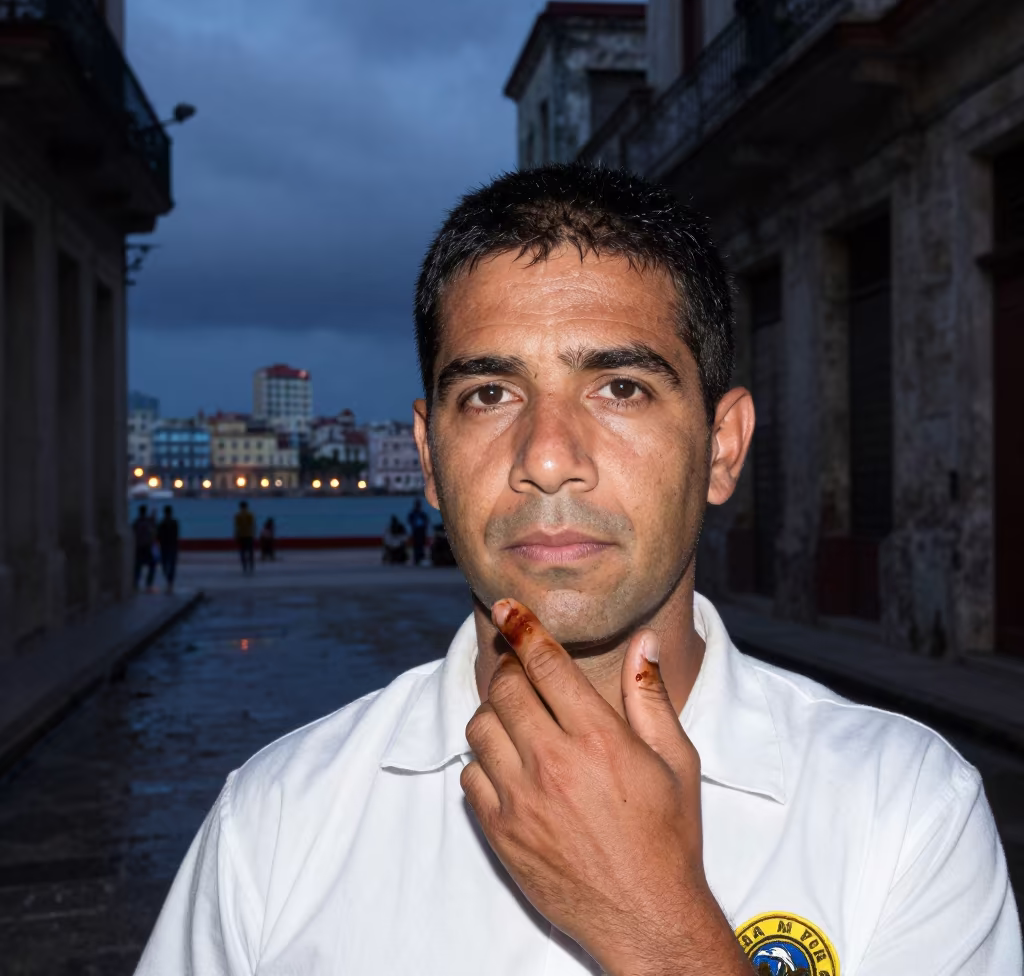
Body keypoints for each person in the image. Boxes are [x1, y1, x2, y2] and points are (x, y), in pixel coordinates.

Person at [136, 164, 1021, 975]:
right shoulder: (273, 824)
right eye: (490, 394)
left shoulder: (905, 812)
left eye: (621, 387)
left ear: (722, 447)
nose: (549, 457)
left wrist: (657, 925)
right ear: (431, 460)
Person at [132, 505, 157, 591]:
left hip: (138, 547)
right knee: (152, 565)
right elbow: (153, 530)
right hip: (146, 547)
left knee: (138, 567)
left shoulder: (136, 522)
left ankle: (136, 583)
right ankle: (148, 584)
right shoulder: (147, 522)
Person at [156, 505, 179, 593]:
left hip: (164, 547)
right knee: (171, 565)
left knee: (165, 565)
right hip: (172, 546)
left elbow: (158, 535)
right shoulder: (174, 523)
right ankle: (170, 582)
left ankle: (169, 581)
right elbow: (176, 535)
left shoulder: (162, 523)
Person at [234, 500, 255, 574]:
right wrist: (253, 534)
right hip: (249, 535)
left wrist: (236, 535)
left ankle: (244, 567)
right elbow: (252, 525)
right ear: (247, 506)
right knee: (250, 552)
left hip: (241, 535)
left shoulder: (238, 515)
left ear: (240, 507)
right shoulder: (250, 514)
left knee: (242, 552)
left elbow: (237, 526)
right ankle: (251, 566)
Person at [407, 497, 429, 565]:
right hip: (416, 531)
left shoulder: (422, 514)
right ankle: (417, 558)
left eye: (418, 504)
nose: (418, 506)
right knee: (416, 545)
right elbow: (410, 521)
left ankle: (420, 557)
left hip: (421, 531)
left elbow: (426, 522)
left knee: (421, 545)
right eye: (417, 504)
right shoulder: (413, 514)